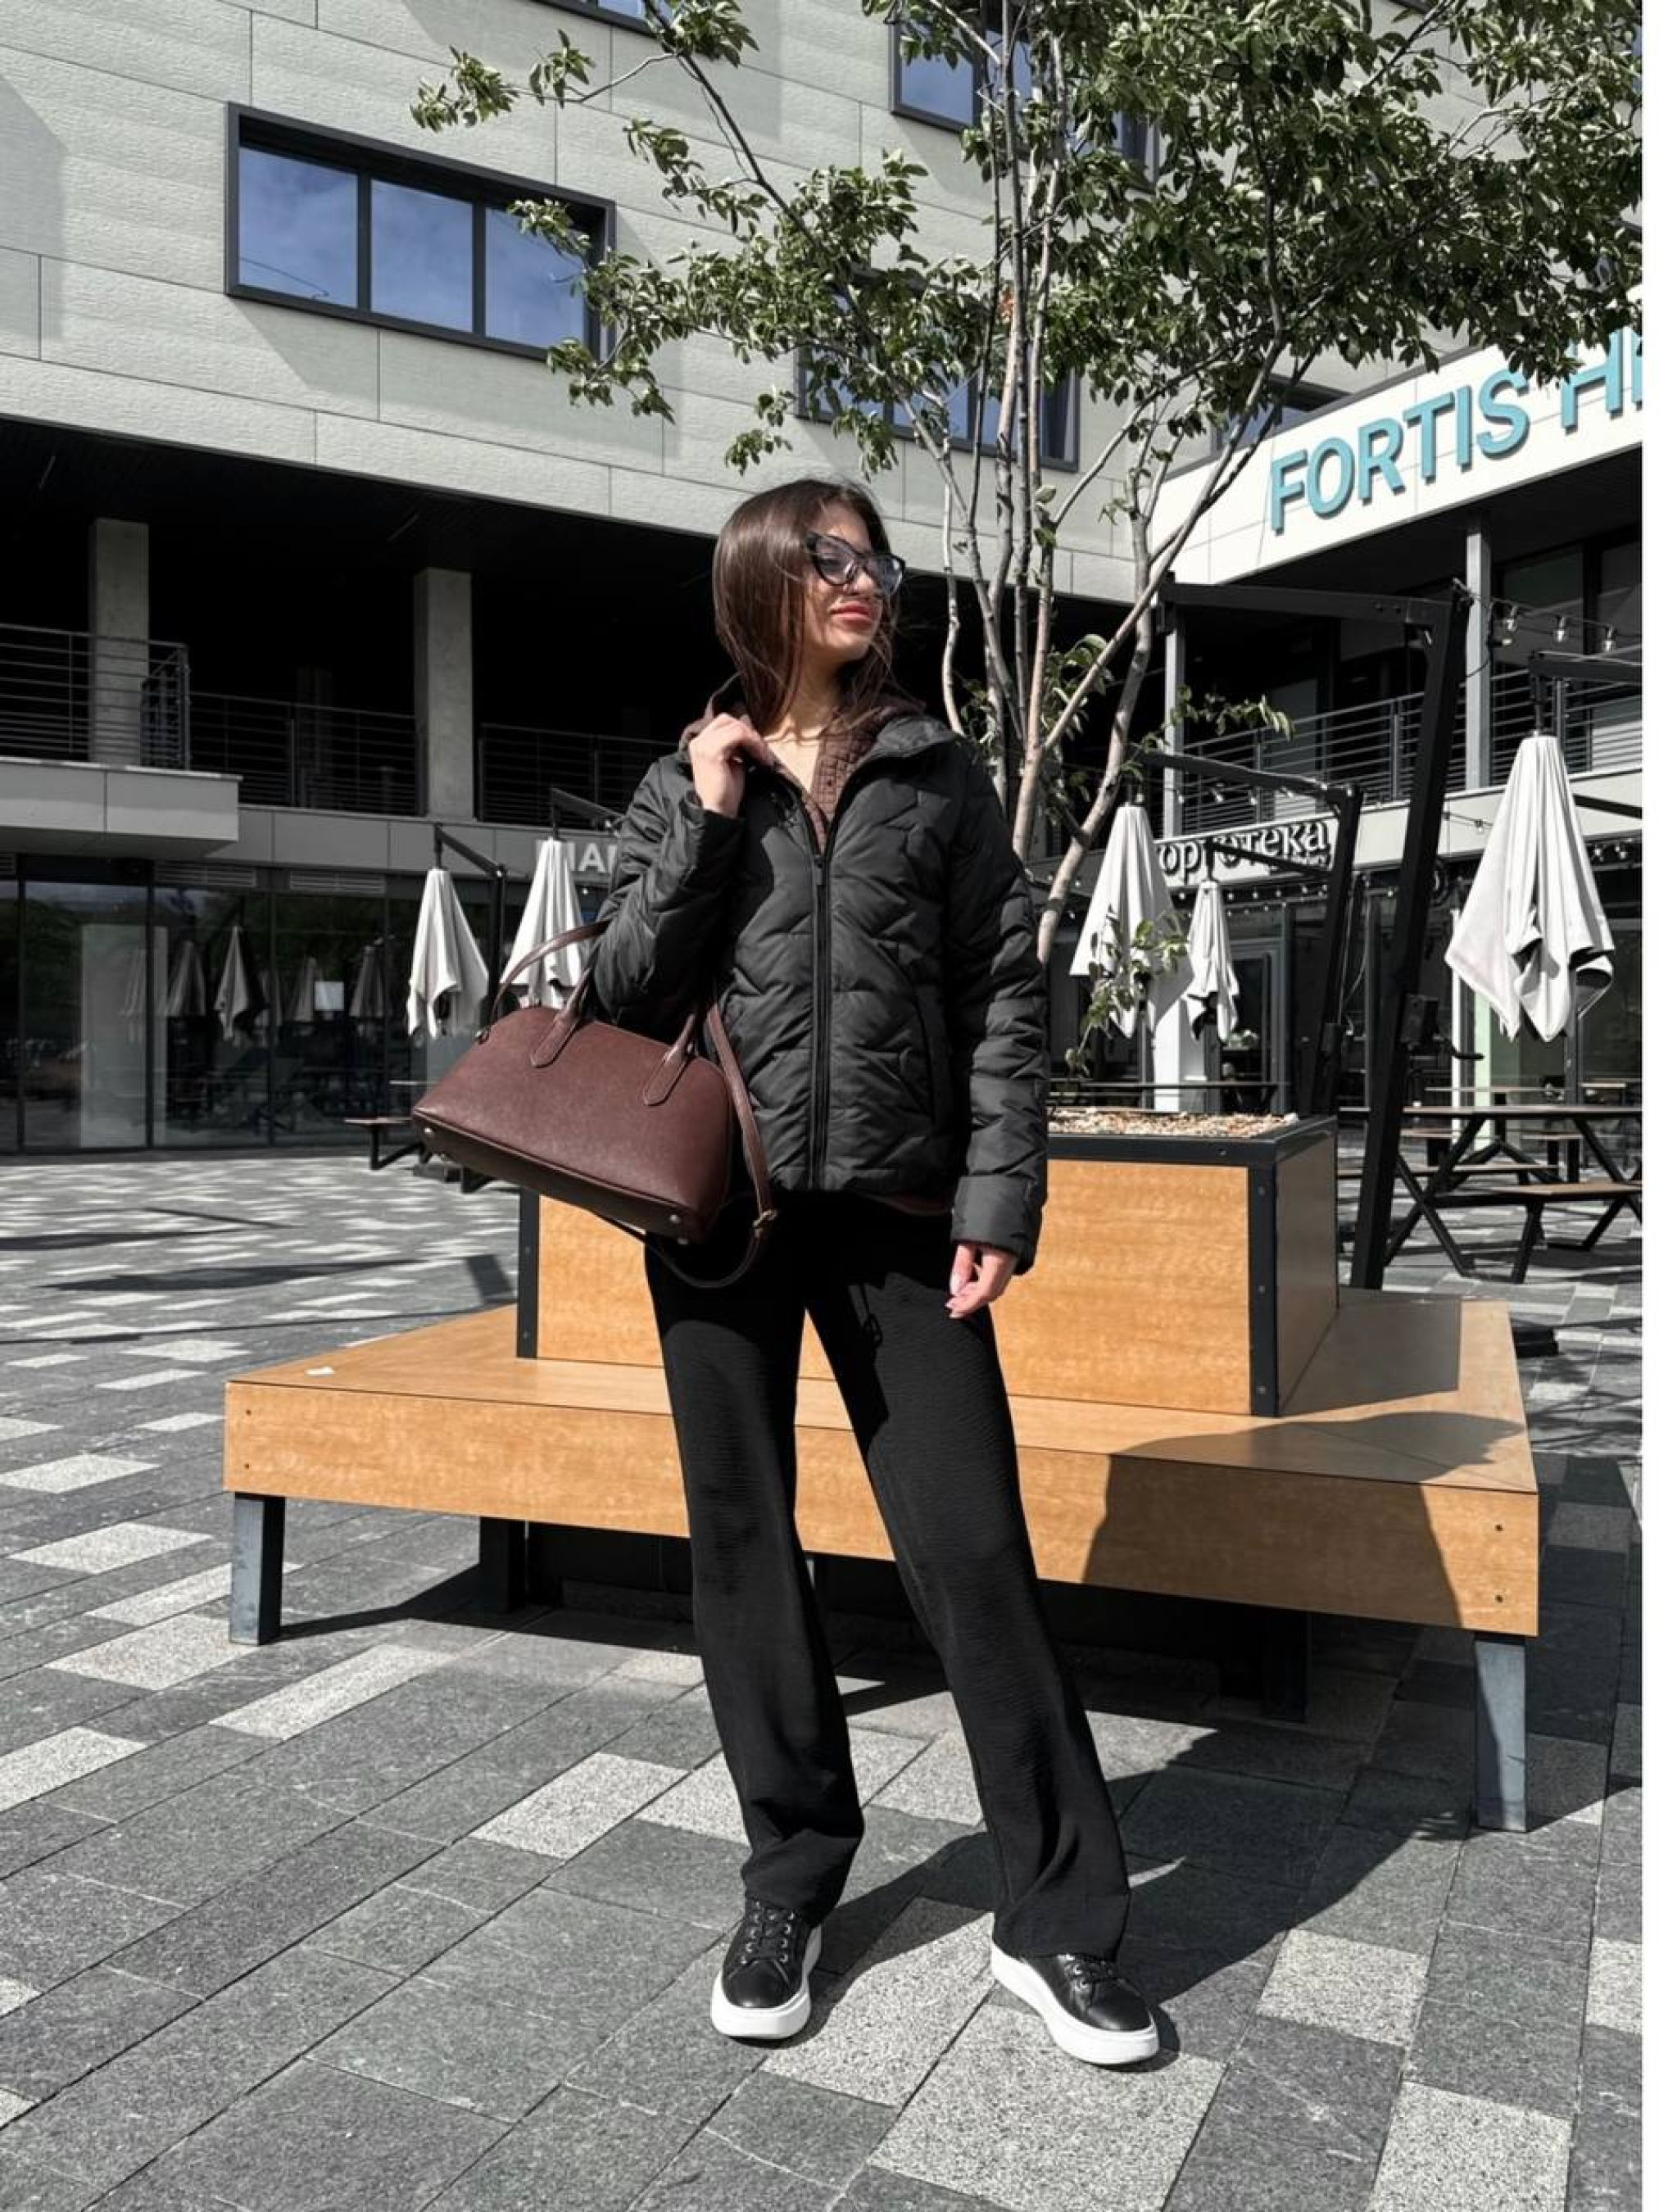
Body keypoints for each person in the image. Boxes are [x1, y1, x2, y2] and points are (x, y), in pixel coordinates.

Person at [589, 476, 1158, 2069]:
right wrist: (711, 819)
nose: (864, 580)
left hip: (903, 1216)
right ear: (760, 577)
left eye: (874, 559)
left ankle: (1055, 1918)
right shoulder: (687, 775)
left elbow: (1002, 996)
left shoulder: (936, 772)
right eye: (828, 556)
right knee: (741, 1544)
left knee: (973, 1548)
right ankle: (790, 1874)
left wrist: (998, 1196)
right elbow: (622, 993)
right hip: (721, 1216)